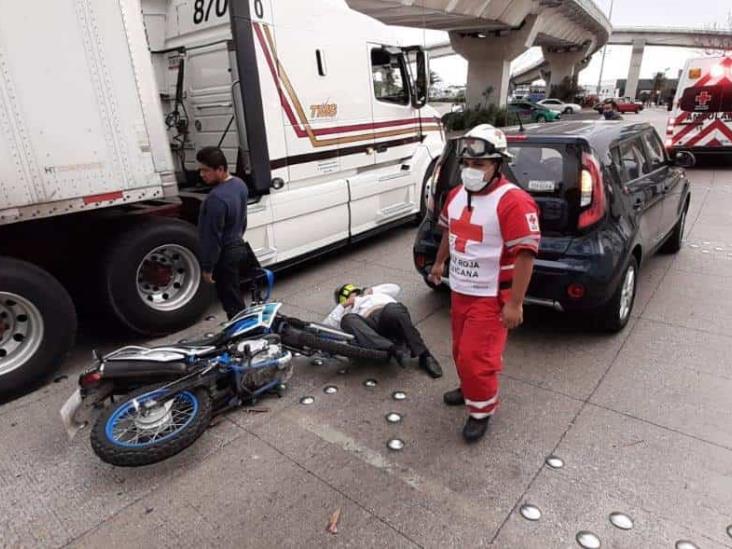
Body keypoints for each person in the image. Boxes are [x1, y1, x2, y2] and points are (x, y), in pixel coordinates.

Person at [428, 124, 540, 443]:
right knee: (460, 351)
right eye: (467, 164)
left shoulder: (513, 201)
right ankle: (470, 390)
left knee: (478, 357)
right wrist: (439, 263)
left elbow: (525, 254)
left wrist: (515, 302)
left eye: (479, 164)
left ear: (498, 165)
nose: (470, 170)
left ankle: (481, 411)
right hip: (460, 291)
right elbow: (451, 232)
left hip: (490, 297)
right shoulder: (455, 195)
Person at [322, 283, 443, 379]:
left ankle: (424, 355)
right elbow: (327, 324)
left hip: (388, 316)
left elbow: (395, 288)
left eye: (355, 293)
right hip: (369, 327)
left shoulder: (374, 293)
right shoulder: (347, 309)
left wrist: (371, 290)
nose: (355, 296)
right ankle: (394, 350)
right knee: (347, 320)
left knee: (393, 309)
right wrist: (345, 305)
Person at [196, 146, 249, 320]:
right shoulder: (240, 184)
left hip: (225, 255)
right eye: (200, 170)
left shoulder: (215, 199)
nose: (202, 174)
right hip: (238, 247)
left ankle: (243, 335)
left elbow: (211, 238)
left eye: (206, 170)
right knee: (235, 294)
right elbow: (243, 220)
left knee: (231, 301)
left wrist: (208, 267)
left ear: (220, 169)